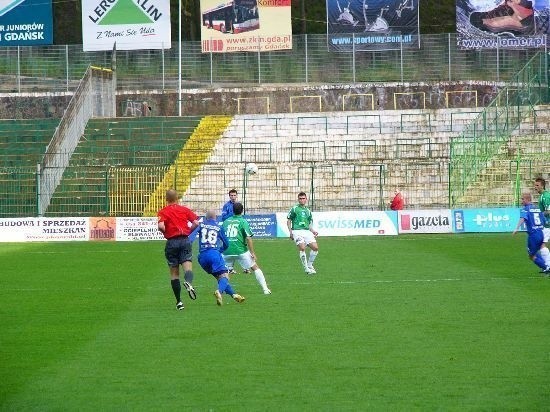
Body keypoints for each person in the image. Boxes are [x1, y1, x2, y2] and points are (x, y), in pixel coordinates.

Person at [157, 189, 200, 310]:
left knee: (174, 274)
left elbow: (160, 226)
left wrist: (167, 233)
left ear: (166, 199)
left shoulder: (163, 211)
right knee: (188, 268)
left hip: (172, 242)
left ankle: (179, 302)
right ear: (177, 198)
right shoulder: (184, 210)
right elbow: (196, 223)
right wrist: (188, 231)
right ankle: (189, 283)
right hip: (185, 241)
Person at [197, 209, 245, 306]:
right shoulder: (218, 227)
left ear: (205, 218)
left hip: (201, 257)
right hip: (214, 254)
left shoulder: (201, 225)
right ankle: (219, 291)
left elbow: (191, 236)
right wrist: (220, 250)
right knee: (225, 275)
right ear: (215, 217)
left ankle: (234, 294)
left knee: (219, 277)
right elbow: (226, 244)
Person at [222, 202, 271, 295]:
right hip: (240, 251)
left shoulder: (226, 222)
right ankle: (265, 289)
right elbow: (248, 237)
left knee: (224, 272)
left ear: (232, 211)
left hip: (226, 251)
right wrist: (252, 252)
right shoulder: (243, 221)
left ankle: (221, 290)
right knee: (255, 267)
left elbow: (221, 236)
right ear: (242, 210)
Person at [512, 192, 550, 274]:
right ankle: (546, 267)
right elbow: (544, 220)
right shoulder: (537, 208)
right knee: (539, 249)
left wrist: (516, 228)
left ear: (528, 199)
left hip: (533, 235)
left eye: (522, 199)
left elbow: (523, 218)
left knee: (531, 255)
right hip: (541, 233)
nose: (521, 201)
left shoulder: (525, 209)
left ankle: (546, 267)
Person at [287, 192, 319, 275]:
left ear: (306, 199)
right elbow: (289, 220)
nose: (302, 200)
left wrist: (313, 231)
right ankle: (306, 269)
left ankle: (310, 265)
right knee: (302, 247)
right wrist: (290, 232)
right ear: (298, 199)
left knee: (315, 248)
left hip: (306, 232)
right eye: (300, 198)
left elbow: (309, 224)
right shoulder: (294, 209)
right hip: (296, 231)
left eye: (303, 198)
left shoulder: (308, 211)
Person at [470, 0, 535, 35]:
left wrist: (512, 5)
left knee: (490, 22)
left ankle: (521, 18)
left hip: (523, 17)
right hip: (524, 13)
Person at [534, 177, 550, 268]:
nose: (535, 187)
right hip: (546, 224)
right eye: (535, 185)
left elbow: (549, 210)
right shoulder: (542, 196)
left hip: (548, 224)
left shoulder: (546, 196)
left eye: (537, 185)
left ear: (542, 186)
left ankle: (548, 266)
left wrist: (540, 214)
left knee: (542, 245)